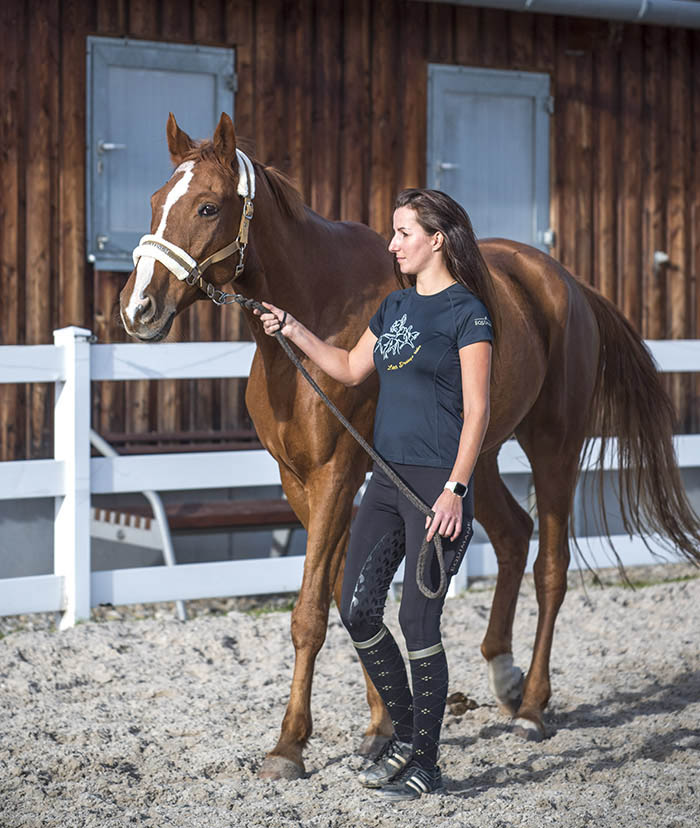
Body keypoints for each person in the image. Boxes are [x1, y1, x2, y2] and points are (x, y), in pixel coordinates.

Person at [255, 189, 496, 801]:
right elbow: (347, 368)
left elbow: (478, 411)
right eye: (392, 233)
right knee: (358, 608)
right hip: (387, 482)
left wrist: (455, 489)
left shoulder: (468, 313)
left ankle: (427, 763)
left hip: (434, 490)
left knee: (418, 621)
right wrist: (293, 328)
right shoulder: (393, 308)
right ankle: (407, 735)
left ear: (436, 239)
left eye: (403, 233)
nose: (391, 244)